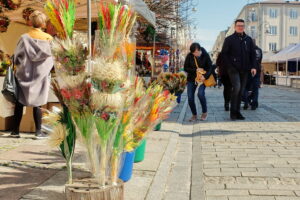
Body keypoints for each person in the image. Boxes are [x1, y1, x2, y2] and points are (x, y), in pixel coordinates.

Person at [10, 11, 54, 138]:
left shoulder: (24, 38)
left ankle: (15, 131)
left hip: (24, 74)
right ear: (43, 23)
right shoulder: (49, 39)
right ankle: (38, 132)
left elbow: (17, 56)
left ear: (30, 22)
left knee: (19, 103)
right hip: (41, 76)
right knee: (38, 104)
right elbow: (53, 58)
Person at [221, 19, 257, 120]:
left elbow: (253, 55)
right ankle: (233, 113)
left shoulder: (248, 39)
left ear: (244, 27)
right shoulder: (229, 39)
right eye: (238, 25)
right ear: (235, 27)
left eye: (242, 26)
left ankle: (237, 112)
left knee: (241, 91)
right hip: (233, 69)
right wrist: (230, 66)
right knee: (236, 88)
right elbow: (224, 54)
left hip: (245, 69)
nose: (240, 27)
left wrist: (253, 66)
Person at [184, 43, 213, 122]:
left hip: (202, 79)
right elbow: (185, 68)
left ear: (200, 50)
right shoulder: (189, 56)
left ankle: (204, 112)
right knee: (190, 97)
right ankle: (194, 115)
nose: (196, 54)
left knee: (200, 94)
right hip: (192, 79)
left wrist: (205, 76)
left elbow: (210, 67)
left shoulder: (205, 55)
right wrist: (195, 70)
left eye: (197, 52)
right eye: (194, 53)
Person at [244, 39, 263, 110]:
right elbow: (260, 60)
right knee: (255, 88)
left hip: (248, 70)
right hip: (257, 70)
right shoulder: (259, 50)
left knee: (246, 87)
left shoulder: (247, 50)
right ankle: (254, 104)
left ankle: (246, 102)